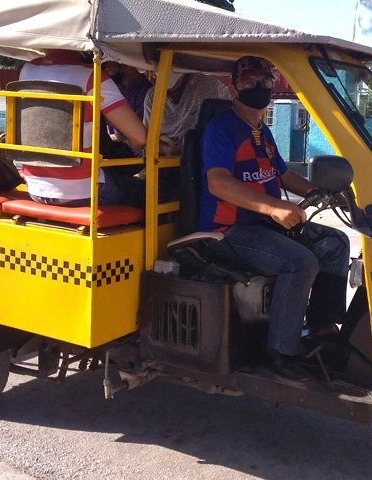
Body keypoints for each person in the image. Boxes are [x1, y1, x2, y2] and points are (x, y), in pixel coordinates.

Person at [198, 56, 350, 381]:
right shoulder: (221, 129)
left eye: (265, 81)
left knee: (334, 243)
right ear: (234, 87)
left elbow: (281, 174)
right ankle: (280, 352)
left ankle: (322, 328)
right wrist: (271, 207)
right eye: (251, 82)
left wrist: (324, 191)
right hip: (228, 231)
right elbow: (218, 182)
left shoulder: (262, 131)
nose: (260, 87)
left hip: (263, 226)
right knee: (301, 262)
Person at [18, 50, 147, 207]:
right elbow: (140, 138)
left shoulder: (27, 70)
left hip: (36, 188)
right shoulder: (90, 75)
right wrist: (129, 147)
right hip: (83, 191)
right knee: (148, 190)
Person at [143, 72, 232, 156]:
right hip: (163, 160)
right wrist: (168, 150)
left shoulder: (212, 87)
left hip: (201, 155)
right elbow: (147, 139)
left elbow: (232, 119)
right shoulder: (153, 96)